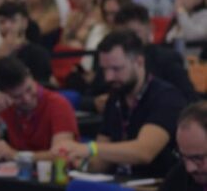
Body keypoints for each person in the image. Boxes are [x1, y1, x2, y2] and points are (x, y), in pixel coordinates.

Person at [62, 30, 188, 178]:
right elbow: (102, 161)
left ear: (139, 62)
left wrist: (90, 148)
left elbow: (144, 152)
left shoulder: (166, 97)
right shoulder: (115, 98)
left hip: (155, 188)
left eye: (116, 69)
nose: (108, 77)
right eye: (104, 70)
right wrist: (79, 162)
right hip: (119, 184)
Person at [0, 56, 79, 161]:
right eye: (17, 97)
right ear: (3, 94)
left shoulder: (58, 104)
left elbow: (62, 155)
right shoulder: (5, 105)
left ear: (30, 75)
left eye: (29, 89)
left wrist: (16, 155)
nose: (27, 99)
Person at [0, 2, 53, 87]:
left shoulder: (39, 54)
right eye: (2, 22)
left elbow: (40, 86)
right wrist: (1, 52)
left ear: (24, 23)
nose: (7, 26)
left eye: (13, 21)